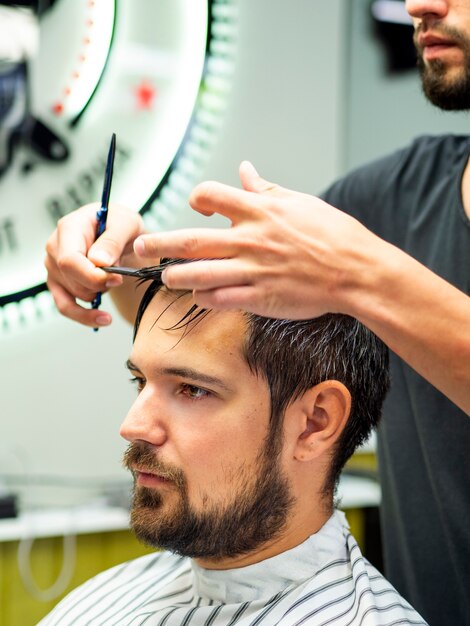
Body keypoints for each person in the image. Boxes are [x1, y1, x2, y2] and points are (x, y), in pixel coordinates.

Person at [44, 0, 470, 623]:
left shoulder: (364, 245)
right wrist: (119, 264)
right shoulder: (392, 198)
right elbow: (249, 345)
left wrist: (361, 273)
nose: (420, 3)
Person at [38, 261, 427, 625]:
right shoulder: (108, 597)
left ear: (314, 423)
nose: (133, 426)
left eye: (193, 389)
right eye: (140, 381)